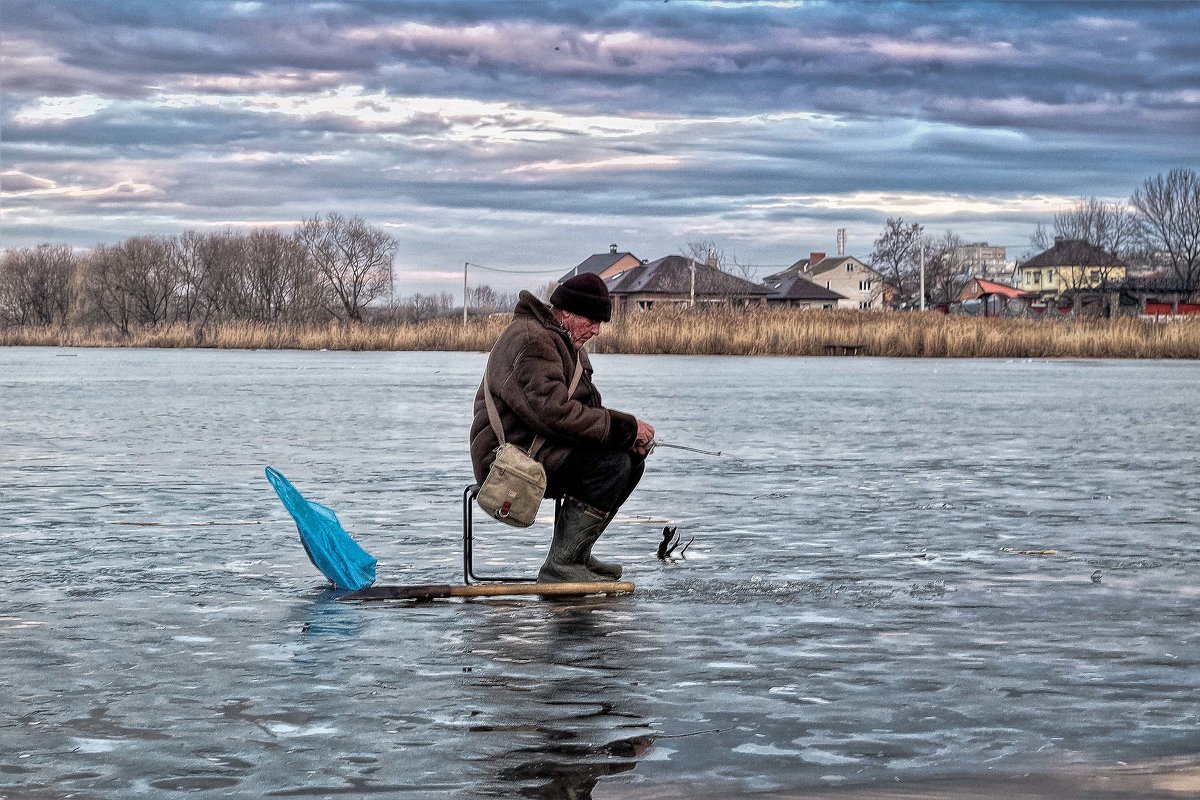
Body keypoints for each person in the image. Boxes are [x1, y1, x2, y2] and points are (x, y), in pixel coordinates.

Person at [469, 273, 655, 583]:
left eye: (600, 322)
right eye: (591, 320)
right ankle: (561, 565)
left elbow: (585, 409)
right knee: (610, 466)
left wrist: (625, 438)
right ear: (566, 311)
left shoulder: (564, 340)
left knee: (630, 460)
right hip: (507, 458)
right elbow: (553, 413)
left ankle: (575, 553)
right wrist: (623, 428)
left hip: (539, 447)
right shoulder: (532, 340)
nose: (596, 329)